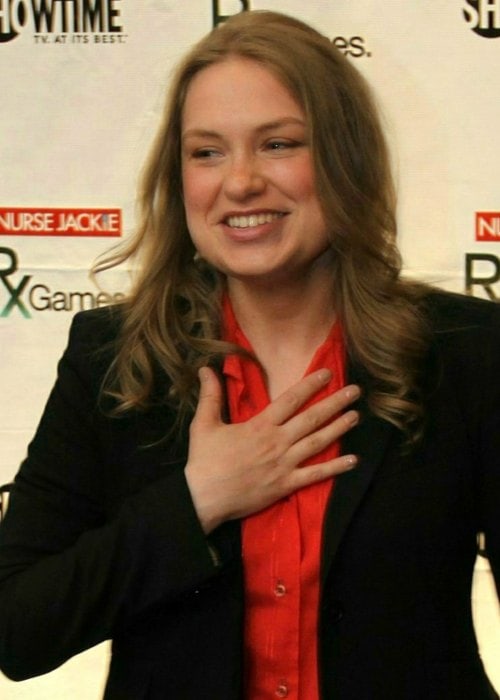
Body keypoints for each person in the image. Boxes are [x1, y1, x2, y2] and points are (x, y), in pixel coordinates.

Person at [0, 9, 499, 700]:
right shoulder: (110, 359)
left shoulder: (469, 353)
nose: (239, 183)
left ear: (344, 159)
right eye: (206, 152)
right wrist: (195, 500)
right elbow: (18, 628)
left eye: (278, 144)